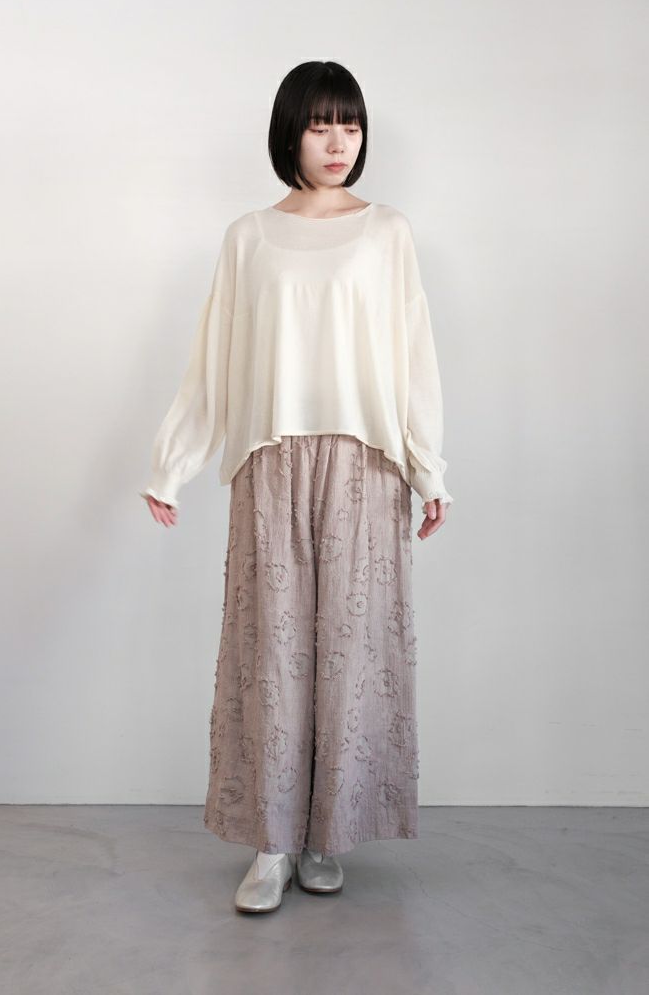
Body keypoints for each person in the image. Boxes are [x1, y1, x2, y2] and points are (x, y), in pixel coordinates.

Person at [140, 60, 454, 914]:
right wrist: (173, 461)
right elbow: (214, 356)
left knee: (351, 651)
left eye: (349, 124)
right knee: (272, 650)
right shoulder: (249, 236)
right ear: (291, 133)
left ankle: (326, 835)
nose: (337, 141)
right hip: (270, 456)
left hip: (365, 461)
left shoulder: (388, 232)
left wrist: (428, 465)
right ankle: (272, 842)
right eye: (320, 125)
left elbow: (413, 356)